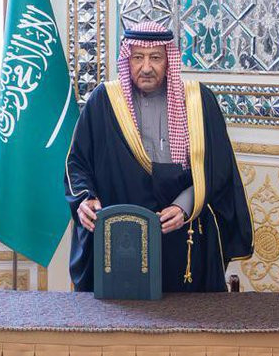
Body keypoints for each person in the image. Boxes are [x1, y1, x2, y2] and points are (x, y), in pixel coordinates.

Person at [65, 22, 252, 292]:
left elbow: (217, 169)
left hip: (183, 229)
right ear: (127, 60)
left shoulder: (199, 101)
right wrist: (85, 199)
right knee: (121, 312)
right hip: (122, 233)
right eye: (138, 57)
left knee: (189, 314)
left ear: (169, 60)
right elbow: (77, 163)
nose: (146, 67)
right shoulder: (103, 101)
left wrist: (184, 206)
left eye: (155, 57)